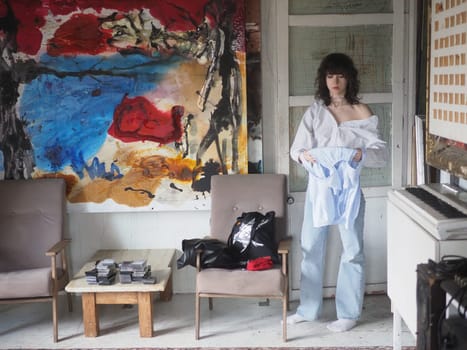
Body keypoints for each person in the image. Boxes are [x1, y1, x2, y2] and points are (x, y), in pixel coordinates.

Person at [288, 52, 387, 332]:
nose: (335, 81)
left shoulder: (362, 112)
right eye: (330, 75)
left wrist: (360, 154)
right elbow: (296, 149)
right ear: (323, 79)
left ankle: (349, 313)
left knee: (353, 249)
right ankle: (308, 309)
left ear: (349, 78)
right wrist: (305, 157)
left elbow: (380, 154)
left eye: (340, 75)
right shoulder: (316, 111)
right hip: (318, 189)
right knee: (311, 247)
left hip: (350, 191)